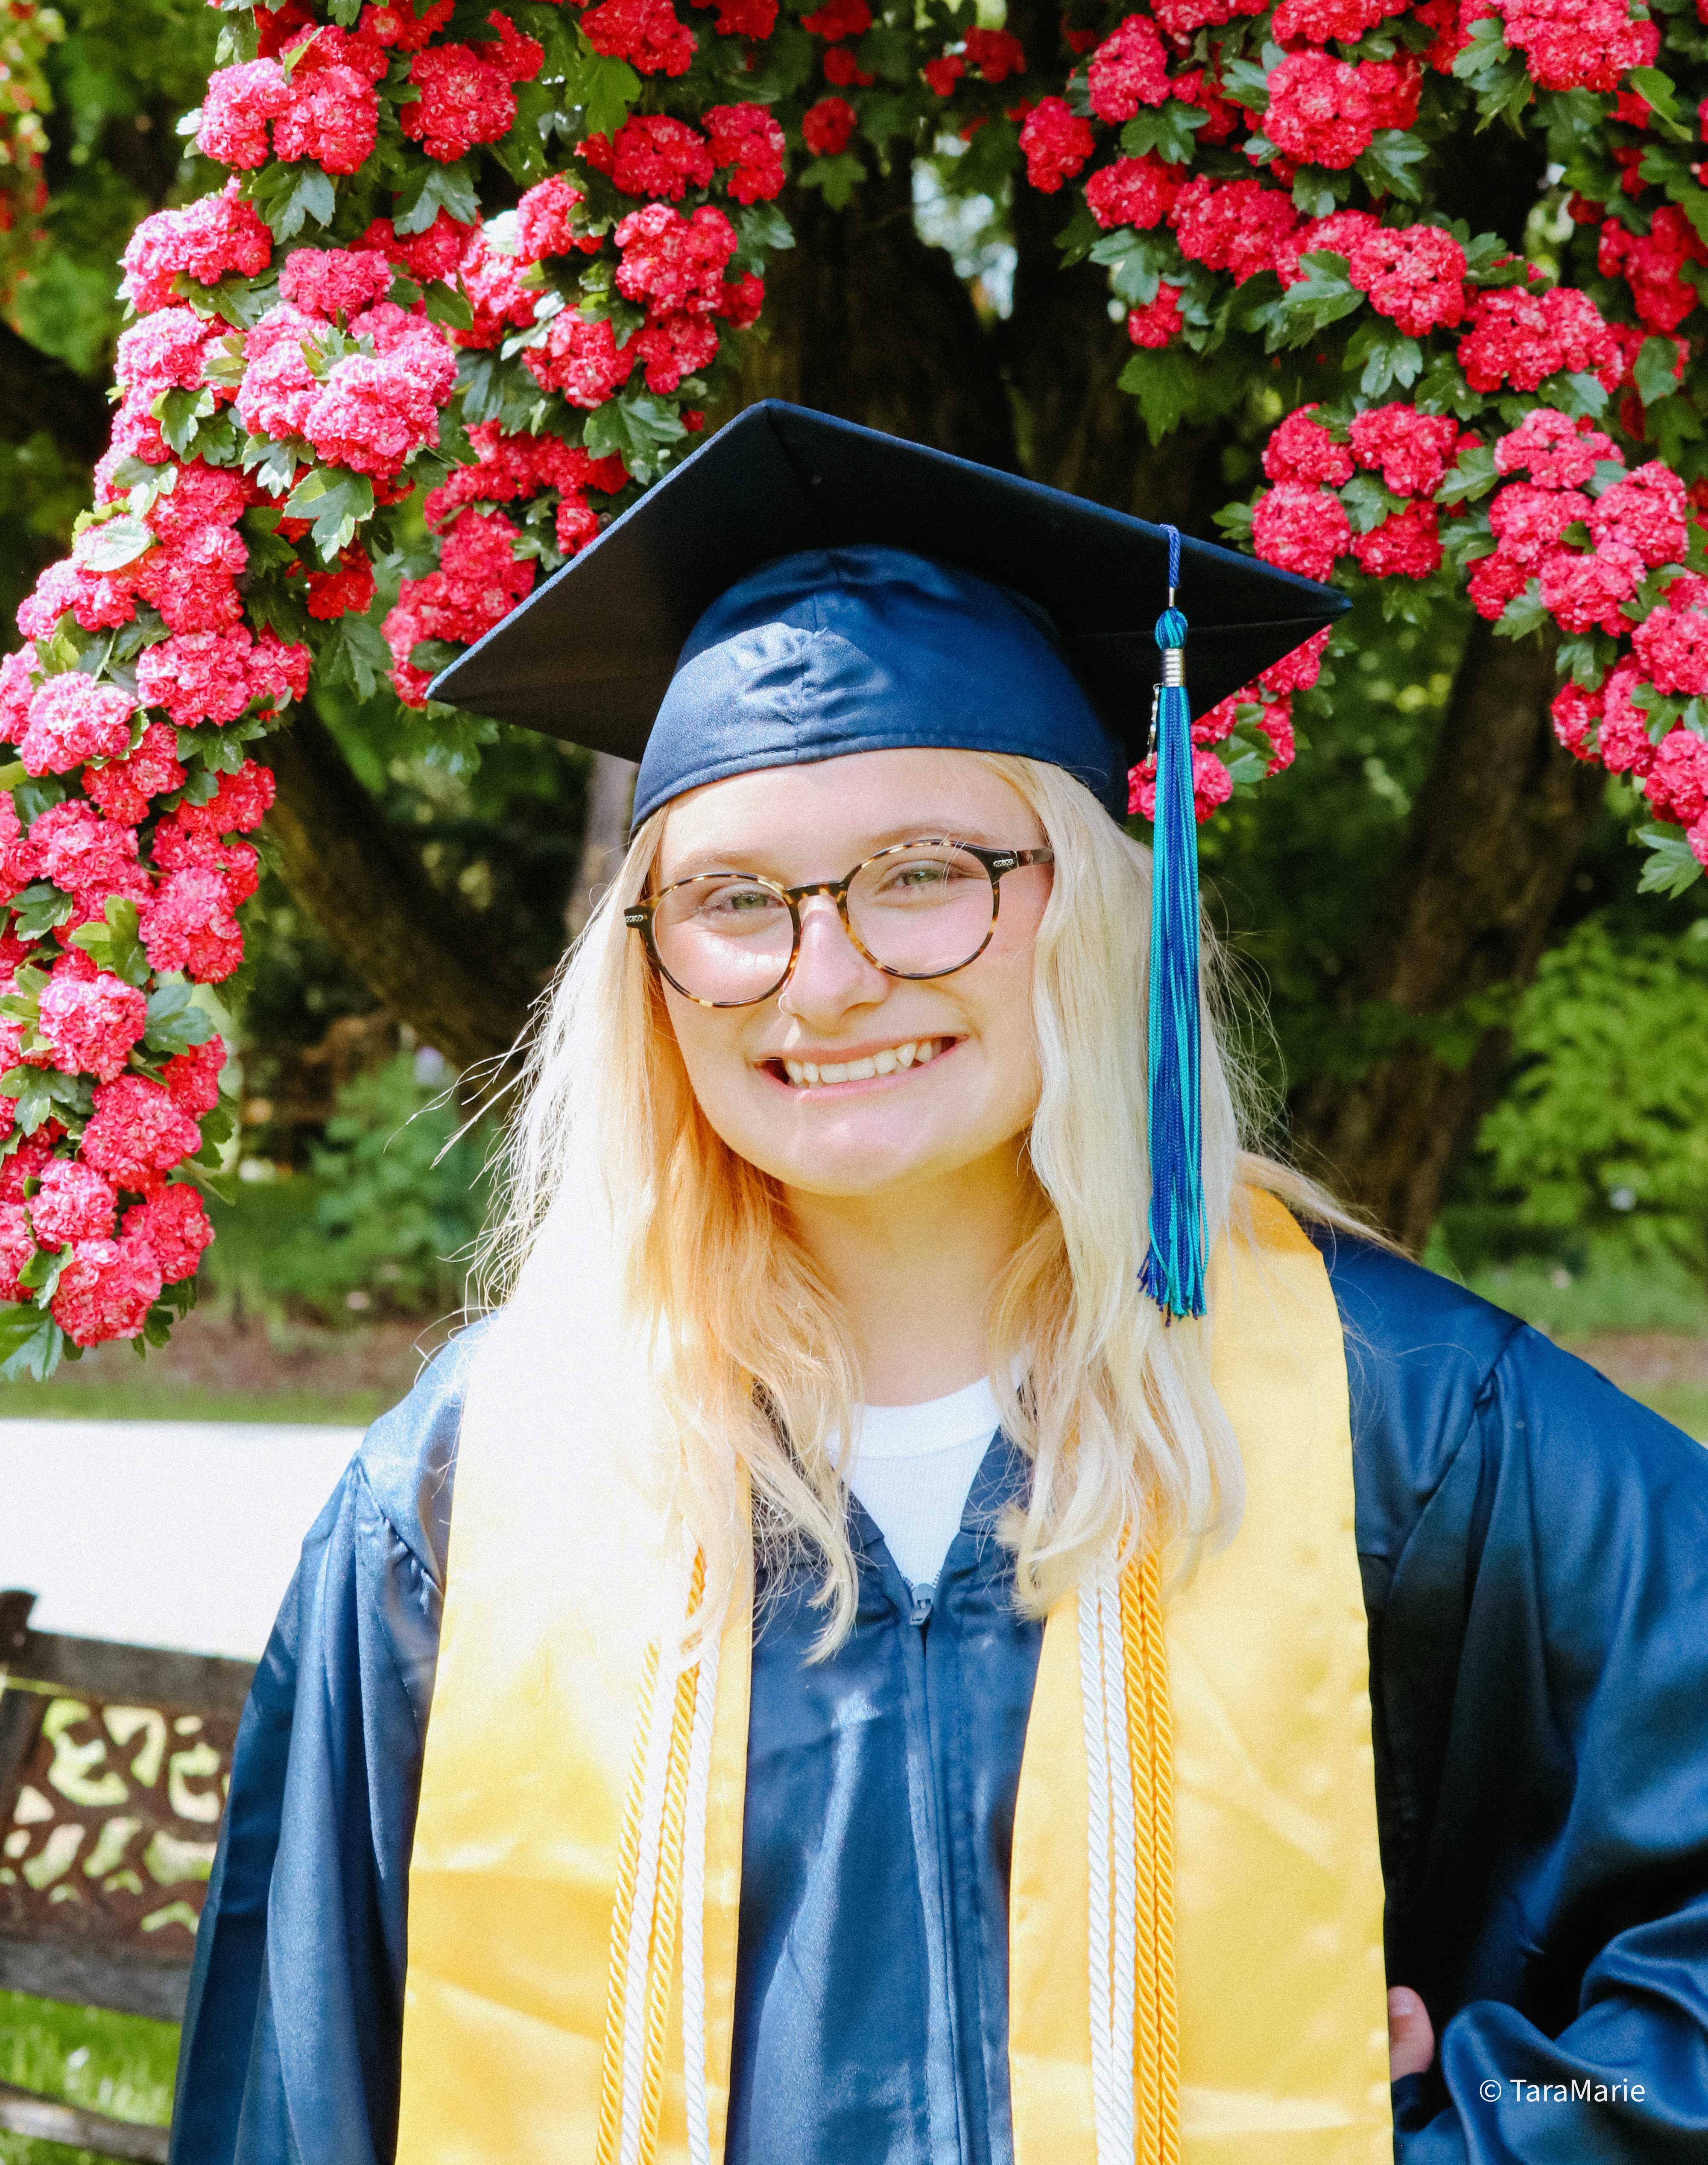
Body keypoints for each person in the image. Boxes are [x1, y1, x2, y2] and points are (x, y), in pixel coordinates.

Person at [171, 404, 1708, 2165]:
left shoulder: (1408, 1420)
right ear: (649, 968)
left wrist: (1497, 2117)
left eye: (923, 878)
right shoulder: (468, 1490)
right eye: (733, 901)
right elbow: (294, 2093)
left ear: (1090, 904)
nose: (821, 980)